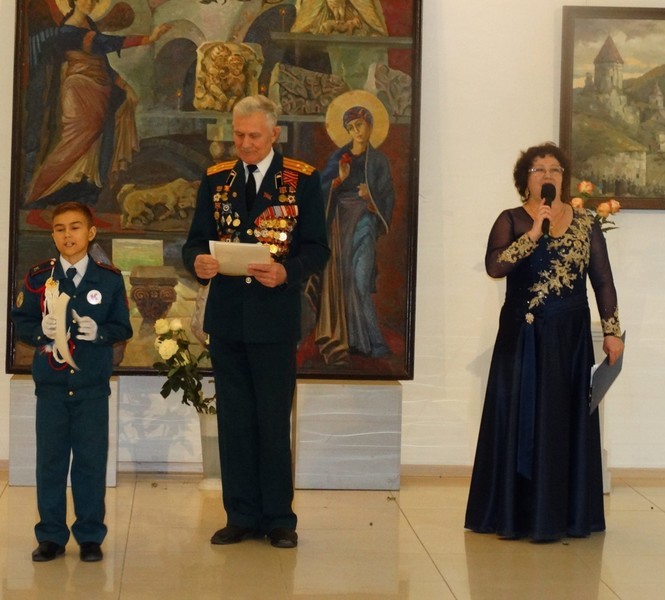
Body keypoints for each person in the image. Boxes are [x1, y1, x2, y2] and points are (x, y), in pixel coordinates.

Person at [182, 95, 329, 549]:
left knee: (272, 419)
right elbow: (193, 243)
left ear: (274, 134)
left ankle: (279, 518)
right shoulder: (217, 179)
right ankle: (240, 514)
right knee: (234, 420)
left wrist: (288, 271)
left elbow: (317, 248)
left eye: (253, 136)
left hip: (273, 319)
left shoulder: (300, 180)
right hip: (228, 320)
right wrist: (199, 262)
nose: (244, 144)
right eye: (239, 135)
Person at [465, 143, 624, 542]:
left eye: (555, 169)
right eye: (539, 170)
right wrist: (534, 232)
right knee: (519, 417)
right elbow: (495, 266)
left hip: (569, 339)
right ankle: (514, 514)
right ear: (526, 179)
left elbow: (602, 281)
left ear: (563, 178)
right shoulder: (512, 219)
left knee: (563, 420)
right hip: (522, 337)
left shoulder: (586, 224)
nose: (548, 175)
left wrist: (611, 331)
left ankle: (566, 514)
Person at [11, 201, 133, 562]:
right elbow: (22, 320)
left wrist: (100, 333)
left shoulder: (108, 279)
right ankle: (50, 536)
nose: (68, 235)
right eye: (60, 228)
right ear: (53, 235)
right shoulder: (39, 278)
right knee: (50, 463)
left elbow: (122, 327)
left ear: (91, 233)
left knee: (90, 463)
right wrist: (40, 332)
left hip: (91, 387)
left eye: (75, 227)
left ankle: (90, 536)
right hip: (51, 386)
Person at [24, 0, 170, 219]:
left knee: (96, 144)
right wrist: (148, 39)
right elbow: (102, 44)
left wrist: (125, 86)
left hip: (100, 89)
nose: (90, 2)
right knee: (74, 142)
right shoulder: (67, 30)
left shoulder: (89, 24)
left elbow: (104, 65)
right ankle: (40, 193)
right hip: (80, 90)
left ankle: (82, 195)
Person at [312, 104, 395, 364]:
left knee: (359, 281)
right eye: (351, 127)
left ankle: (375, 343)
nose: (356, 131)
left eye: (360, 124)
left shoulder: (379, 161)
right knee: (341, 281)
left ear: (370, 124)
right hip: (338, 224)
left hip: (364, 223)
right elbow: (321, 190)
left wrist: (370, 197)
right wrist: (338, 179)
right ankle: (349, 340)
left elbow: (387, 197)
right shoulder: (339, 156)